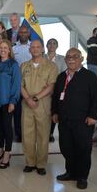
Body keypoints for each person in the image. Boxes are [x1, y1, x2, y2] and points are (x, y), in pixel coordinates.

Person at [52, 48, 97, 189]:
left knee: (83, 149)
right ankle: (70, 172)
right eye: (68, 56)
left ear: (81, 59)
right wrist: (55, 112)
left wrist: (93, 116)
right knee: (66, 147)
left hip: (83, 121)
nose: (71, 59)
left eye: (75, 56)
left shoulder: (90, 76)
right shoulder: (62, 76)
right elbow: (56, 96)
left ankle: (82, 177)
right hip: (65, 120)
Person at [21, 40, 58, 175]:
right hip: (27, 105)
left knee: (43, 135)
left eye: (38, 47)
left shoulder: (51, 66)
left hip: (43, 104)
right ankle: (30, 163)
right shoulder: (24, 66)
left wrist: (35, 98)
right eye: (33, 47)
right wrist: (28, 99)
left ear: (42, 49)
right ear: (29, 50)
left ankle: (41, 164)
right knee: (28, 135)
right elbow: (20, 86)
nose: (35, 49)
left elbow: (51, 86)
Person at [0, 40, 21, 168]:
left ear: (9, 50)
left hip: (7, 102)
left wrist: (13, 101)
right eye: (1, 48)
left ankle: (7, 153)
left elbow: (16, 85)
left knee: (7, 128)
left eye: (5, 48)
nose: (3, 50)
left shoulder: (13, 65)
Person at [12, 26, 32, 142]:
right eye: (21, 32)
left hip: (31, 84)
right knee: (18, 111)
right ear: (18, 34)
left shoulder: (33, 47)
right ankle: (19, 134)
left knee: (29, 110)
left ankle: (29, 133)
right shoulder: (14, 48)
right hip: (18, 83)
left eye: (25, 32)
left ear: (29, 33)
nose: (23, 34)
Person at [45, 38, 67, 142]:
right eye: (50, 43)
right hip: (42, 90)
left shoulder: (62, 59)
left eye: (54, 43)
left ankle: (50, 133)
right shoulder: (42, 58)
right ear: (46, 46)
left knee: (53, 111)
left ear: (57, 46)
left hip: (56, 90)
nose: (52, 45)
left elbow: (63, 75)